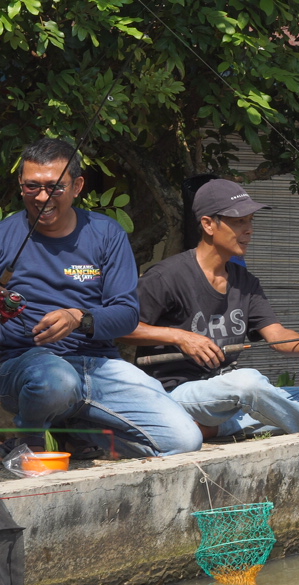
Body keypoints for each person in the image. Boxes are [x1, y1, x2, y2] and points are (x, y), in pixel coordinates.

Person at [0, 138, 202, 457]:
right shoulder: (4, 235)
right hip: (25, 368)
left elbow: (126, 314)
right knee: (56, 379)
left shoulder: (107, 233)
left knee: (183, 440)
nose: (41, 197)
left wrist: (78, 318)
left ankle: (79, 432)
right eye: (31, 186)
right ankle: (28, 438)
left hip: (98, 366)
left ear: (77, 186)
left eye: (54, 187)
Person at [123, 179, 299, 439]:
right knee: (248, 382)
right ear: (208, 224)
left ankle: (214, 429)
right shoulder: (167, 276)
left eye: (250, 221)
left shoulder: (245, 282)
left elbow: (277, 335)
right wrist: (180, 337)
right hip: (176, 394)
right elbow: (122, 328)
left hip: (228, 395)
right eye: (238, 221)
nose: (249, 230)